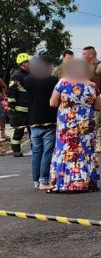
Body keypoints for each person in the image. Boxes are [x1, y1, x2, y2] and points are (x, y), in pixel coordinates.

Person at [48, 58, 100, 193]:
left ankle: (63, 182)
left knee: (65, 151)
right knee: (85, 151)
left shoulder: (63, 83)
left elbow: (52, 103)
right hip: (86, 125)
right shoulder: (93, 86)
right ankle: (88, 182)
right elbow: (98, 106)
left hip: (66, 125)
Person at [22, 56, 59, 189]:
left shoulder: (27, 80)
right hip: (49, 121)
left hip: (33, 121)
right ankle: (44, 180)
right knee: (47, 152)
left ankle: (36, 181)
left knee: (36, 152)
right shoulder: (53, 80)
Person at [82, 46, 101, 153]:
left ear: (91, 54)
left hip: (97, 98)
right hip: (85, 99)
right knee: (85, 122)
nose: (82, 56)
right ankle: (89, 143)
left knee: (99, 121)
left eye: (84, 54)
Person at [7, 53, 32, 157]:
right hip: (19, 109)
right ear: (22, 64)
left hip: (31, 108)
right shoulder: (17, 76)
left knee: (33, 131)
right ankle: (16, 150)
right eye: (28, 62)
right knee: (19, 130)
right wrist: (12, 107)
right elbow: (11, 92)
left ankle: (34, 148)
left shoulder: (31, 74)